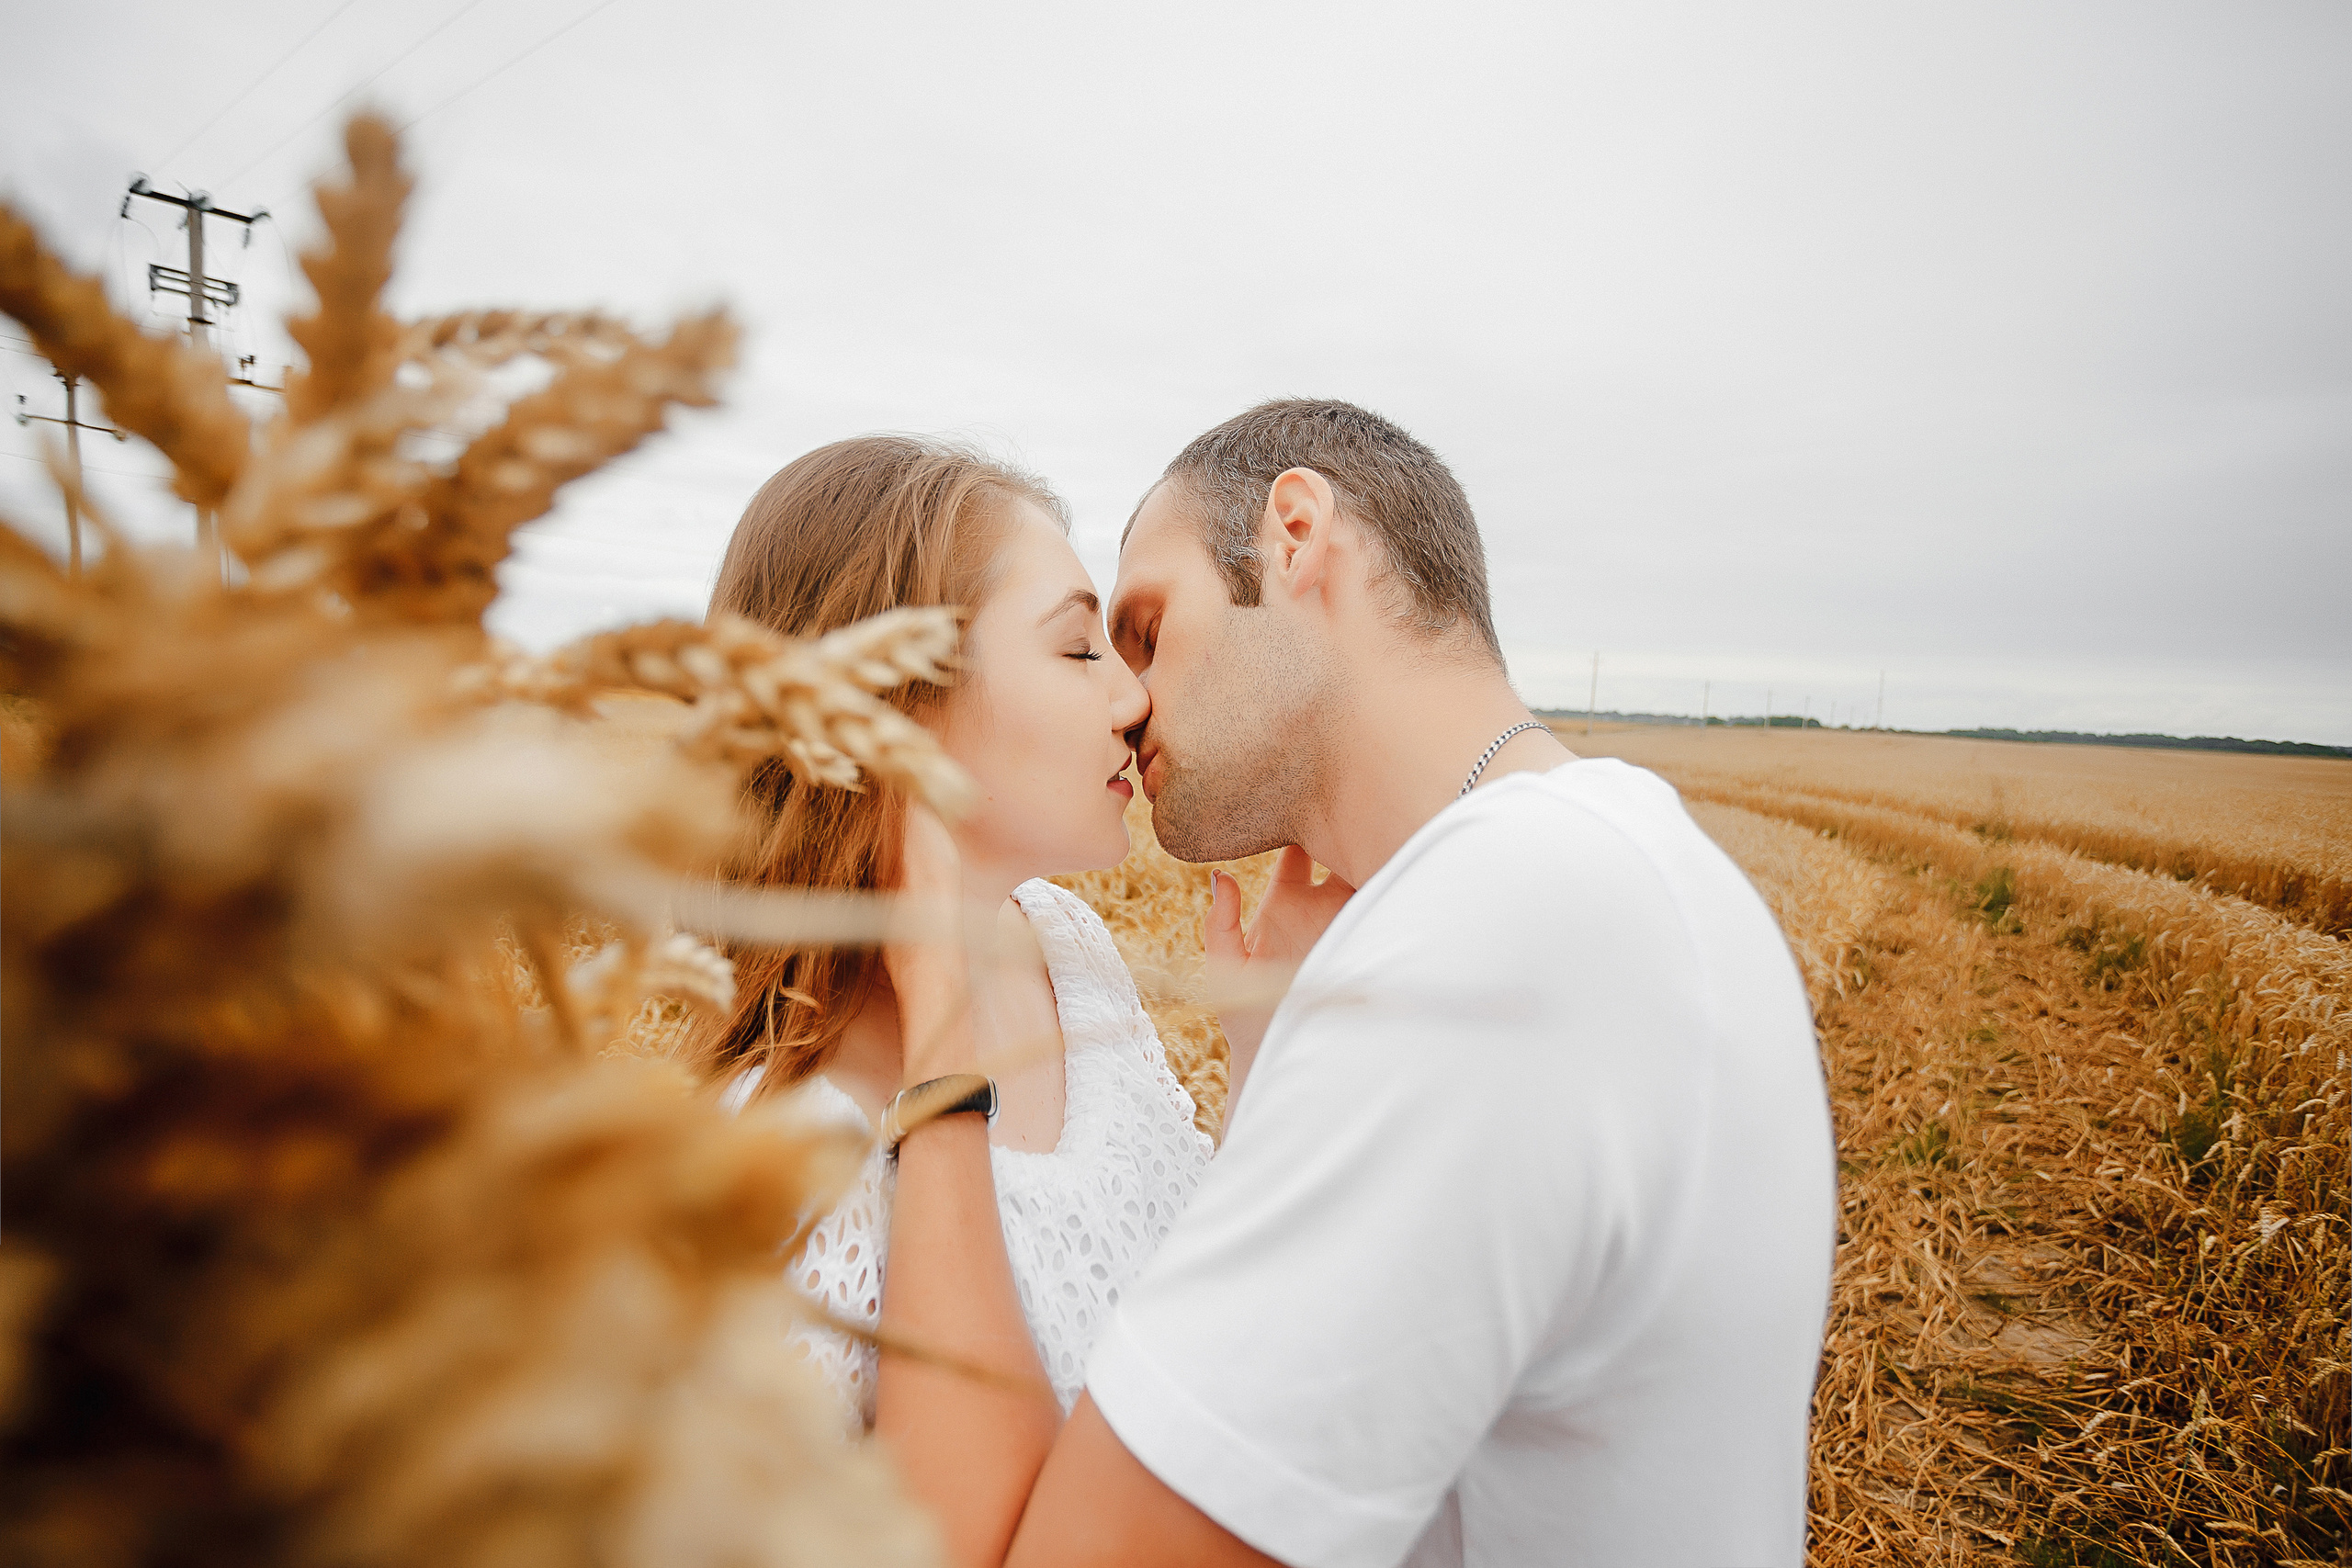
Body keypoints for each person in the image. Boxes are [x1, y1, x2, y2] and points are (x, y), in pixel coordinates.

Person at [885, 400, 1839, 1568]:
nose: (1129, 703)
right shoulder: (1623, 858)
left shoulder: (1489, 941)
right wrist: (1283, 1069)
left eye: (1144, 629)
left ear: (1293, 534)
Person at [690, 436, 1214, 1536]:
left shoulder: (1064, 945)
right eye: (1078, 648)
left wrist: (1263, 1068)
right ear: (900, 711)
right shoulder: (785, 1170)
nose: (1133, 698)